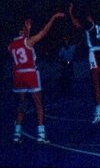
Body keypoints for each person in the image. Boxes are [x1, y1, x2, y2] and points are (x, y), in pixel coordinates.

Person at [9, 12, 65, 144]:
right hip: (30, 73)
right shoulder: (29, 41)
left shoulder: (11, 45)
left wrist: (27, 30)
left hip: (18, 75)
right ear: (22, 31)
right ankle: (41, 134)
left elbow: (22, 44)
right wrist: (53, 17)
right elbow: (44, 31)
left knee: (22, 104)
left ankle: (17, 133)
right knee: (38, 104)